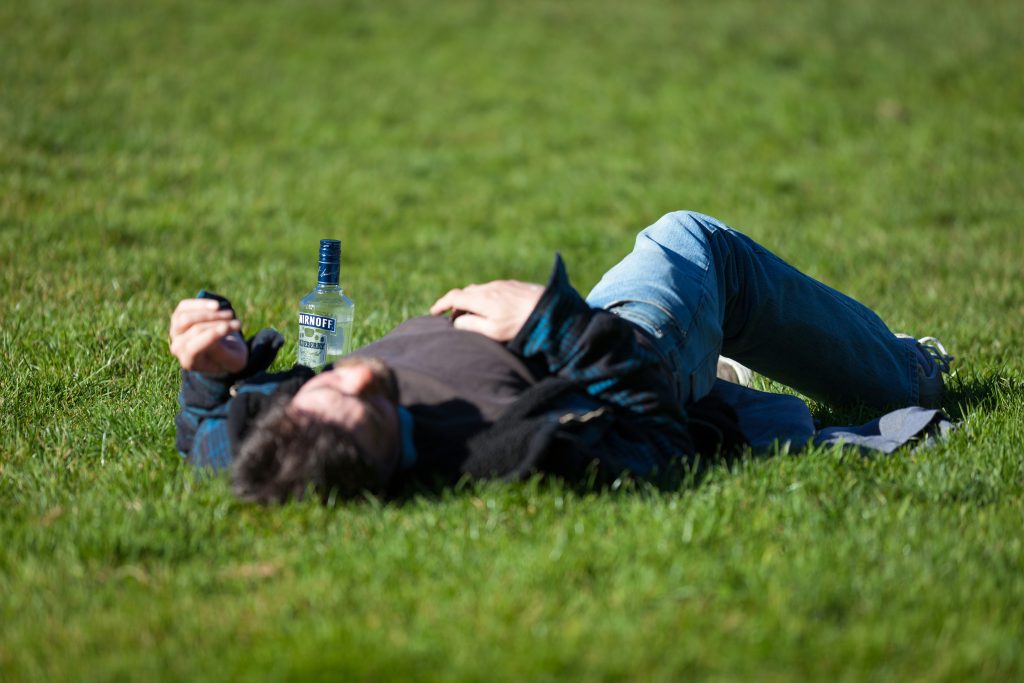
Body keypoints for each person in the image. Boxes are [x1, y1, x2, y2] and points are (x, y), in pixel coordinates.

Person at [170, 211, 953, 503]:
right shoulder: (511, 453)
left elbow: (208, 430)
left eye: (328, 386)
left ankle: (730, 380)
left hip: (574, 338)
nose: (361, 374)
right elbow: (655, 434)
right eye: (374, 407)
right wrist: (549, 322)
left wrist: (209, 366)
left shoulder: (274, 443)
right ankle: (907, 369)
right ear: (384, 461)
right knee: (691, 242)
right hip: (617, 348)